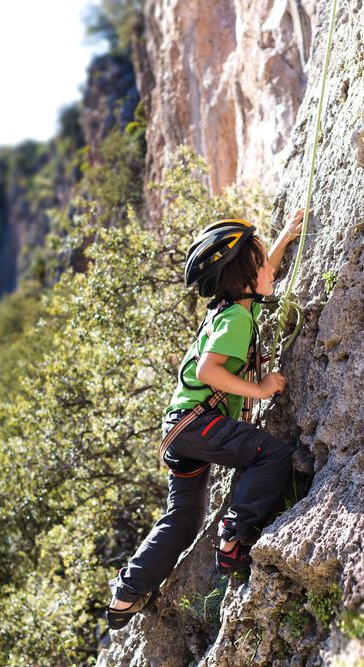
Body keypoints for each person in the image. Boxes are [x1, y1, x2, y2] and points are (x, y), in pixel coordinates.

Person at [105, 210, 307, 630]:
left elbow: (260, 272)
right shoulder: (235, 319)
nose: (269, 269)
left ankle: (127, 595)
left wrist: (286, 237)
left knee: (182, 519)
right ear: (243, 279)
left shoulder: (229, 307)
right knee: (270, 454)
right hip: (197, 424)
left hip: (181, 427)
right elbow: (208, 372)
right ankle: (234, 535)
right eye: (259, 264)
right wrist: (262, 388)